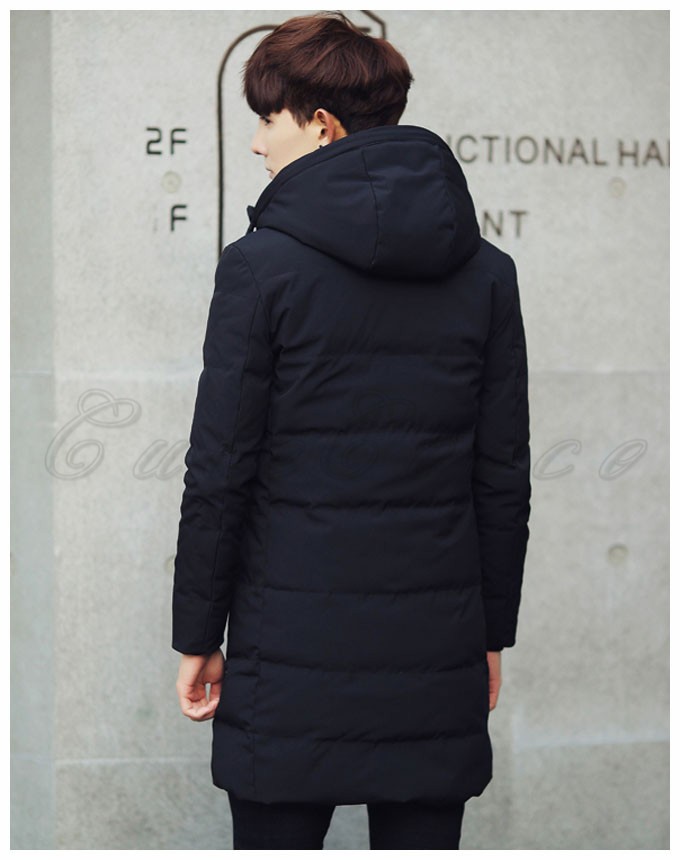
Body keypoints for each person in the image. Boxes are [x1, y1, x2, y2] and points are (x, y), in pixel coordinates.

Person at [172, 11, 531, 851]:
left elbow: (219, 473)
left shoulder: (259, 268)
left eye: (269, 118)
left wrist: (197, 635)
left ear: (322, 125)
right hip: (435, 657)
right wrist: (489, 635)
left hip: (285, 662)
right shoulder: (487, 274)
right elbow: (502, 477)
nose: (257, 142)